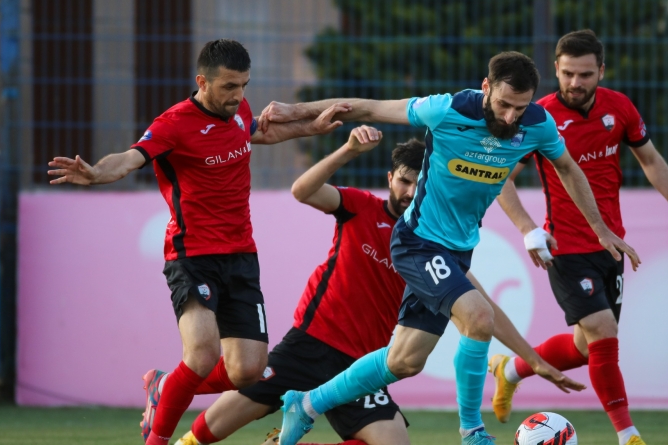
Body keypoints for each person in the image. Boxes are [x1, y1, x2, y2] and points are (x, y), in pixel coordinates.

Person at [258, 51, 638, 445]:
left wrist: (600, 229)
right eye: (504, 104)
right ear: (486, 87)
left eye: (520, 108)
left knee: (404, 360)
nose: (511, 117)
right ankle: (472, 431)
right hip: (417, 241)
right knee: (479, 317)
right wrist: (294, 111)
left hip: (458, 250)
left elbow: (568, 167)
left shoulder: (538, 124)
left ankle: (307, 404)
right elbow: (365, 107)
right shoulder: (447, 109)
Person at [172, 126, 580, 445]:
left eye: (420, 183)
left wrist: (533, 359)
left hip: (361, 366)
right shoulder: (360, 207)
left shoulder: (438, 247)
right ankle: (172, 404)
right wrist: (349, 150)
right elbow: (303, 190)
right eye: (403, 181)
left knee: (393, 440)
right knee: (223, 419)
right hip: (310, 344)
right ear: (390, 178)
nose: (410, 192)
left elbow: (482, 312)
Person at [47, 39, 346, 445]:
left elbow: (255, 133)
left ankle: (165, 385)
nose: (238, 95)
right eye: (229, 86)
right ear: (202, 82)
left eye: (244, 85)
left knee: (248, 371)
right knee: (203, 355)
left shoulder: (238, 111)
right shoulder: (173, 124)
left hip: (242, 254)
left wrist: (310, 127)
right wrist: (97, 173)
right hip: (192, 255)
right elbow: (131, 157)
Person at [489, 30, 668, 445]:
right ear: (556, 69)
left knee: (586, 348)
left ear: (601, 71)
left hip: (612, 245)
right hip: (565, 248)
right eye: (568, 73)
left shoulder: (619, 107)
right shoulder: (538, 117)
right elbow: (501, 178)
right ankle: (628, 435)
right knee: (604, 332)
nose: (575, 82)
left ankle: (510, 369)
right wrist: (529, 229)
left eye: (585, 74)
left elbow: (649, 158)